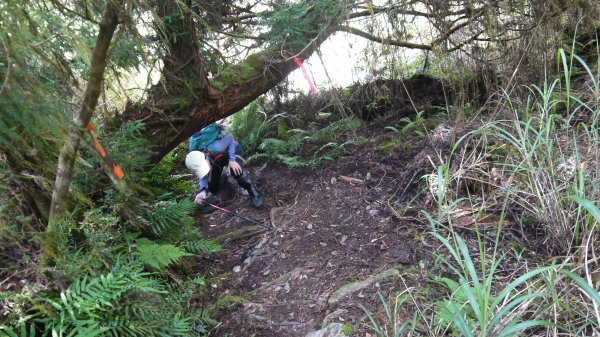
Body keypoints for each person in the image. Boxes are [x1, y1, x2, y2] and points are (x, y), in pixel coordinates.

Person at [185, 129, 264, 208]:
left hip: (232, 151)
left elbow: (230, 138)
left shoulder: (217, 147)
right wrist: (203, 191)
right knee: (213, 188)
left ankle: (252, 190)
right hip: (216, 160)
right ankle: (222, 177)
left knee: (235, 170)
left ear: (205, 158)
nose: (205, 169)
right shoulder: (197, 158)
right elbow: (203, 177)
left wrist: (232, 160)